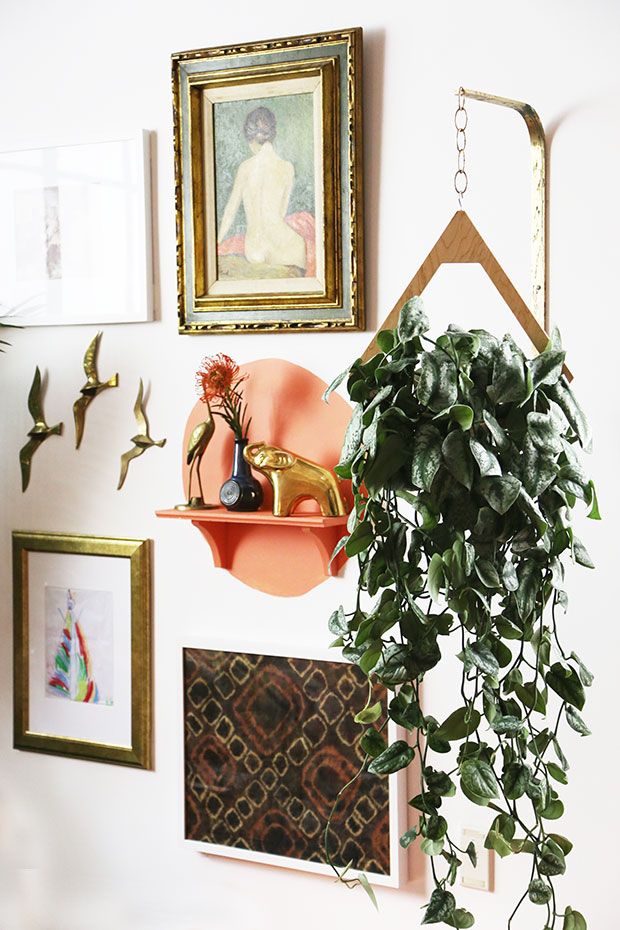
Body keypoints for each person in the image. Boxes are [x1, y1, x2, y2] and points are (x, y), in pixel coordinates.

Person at [217, 106, 307, 275]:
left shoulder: (245, 167)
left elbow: (230, 211)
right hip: (283, 246)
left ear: (250, 138)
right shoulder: (287, 168)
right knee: (299, 243)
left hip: (254, 249)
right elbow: (280, 212)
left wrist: (217, 241)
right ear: (273, 136)